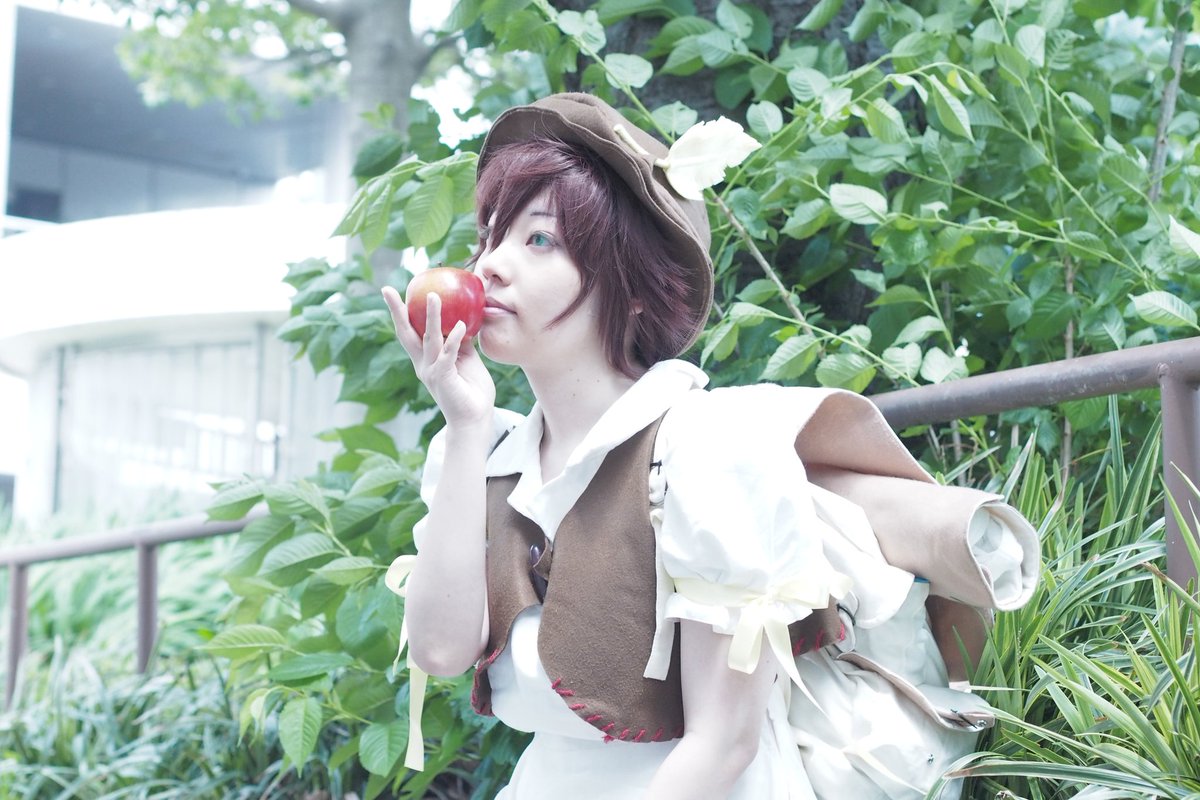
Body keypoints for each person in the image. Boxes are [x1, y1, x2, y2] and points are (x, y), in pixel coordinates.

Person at [382, 93, 1039, 799]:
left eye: (539, 240)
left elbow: (724, 744)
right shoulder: (484, 458)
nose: (489, 266)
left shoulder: (708, 452)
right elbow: (442, 650)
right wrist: (465, 423)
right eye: (490, 236)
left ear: (631, 284)